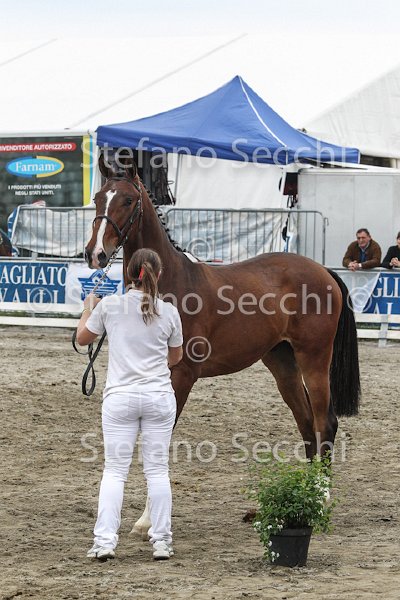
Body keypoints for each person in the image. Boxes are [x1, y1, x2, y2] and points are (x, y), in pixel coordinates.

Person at [76, 248, 183, 562]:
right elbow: (176, 357)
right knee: (157, 471)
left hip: (120, 397)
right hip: (158, 397)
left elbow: (82, 338)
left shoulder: (110, 305)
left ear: (128, 274)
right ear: (158, 274)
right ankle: (162, 541)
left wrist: (87, 308)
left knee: (114, 472)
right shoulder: (169, 312)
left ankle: (104, 542)